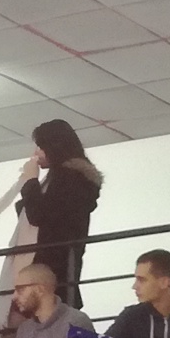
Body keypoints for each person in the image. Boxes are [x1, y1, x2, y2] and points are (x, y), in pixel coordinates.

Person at [19, 119, 102, 309]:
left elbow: (38, 215)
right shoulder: (73, 177)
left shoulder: (68, 178)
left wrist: (31, 181)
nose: (36, 153)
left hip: (54, 265)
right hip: (62, 265)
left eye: (41, 147)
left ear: (54, 147)